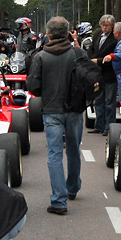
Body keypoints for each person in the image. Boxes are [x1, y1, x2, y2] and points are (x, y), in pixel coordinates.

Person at [28, 17, 84, 214]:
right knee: (74, 149)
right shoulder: (78, 53)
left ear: (48, 34)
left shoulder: (41, 57)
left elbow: (33, 87)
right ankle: (73, 187)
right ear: (68, 32)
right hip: (74, 109)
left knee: (54, 154)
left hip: (52, 109)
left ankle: (59, 201)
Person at [87, 15, 117, 135]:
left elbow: (115, 56)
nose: (104, 27)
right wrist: (92, 61)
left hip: (109, 74)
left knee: (109, 102)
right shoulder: (98, 33)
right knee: (98, 101)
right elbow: (91, 49)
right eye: (103, 25)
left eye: (107, 25)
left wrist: (99, 62)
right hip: (97, 74)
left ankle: (108, 127)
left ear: (112, 26)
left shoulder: (115, 38)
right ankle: (99, 126)